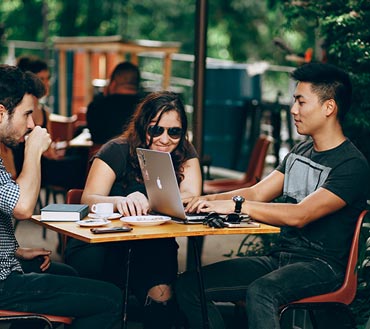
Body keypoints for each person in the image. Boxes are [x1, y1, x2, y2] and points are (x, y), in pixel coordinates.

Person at [176, 62, 370, 329]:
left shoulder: (351, 164)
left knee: (261, 292)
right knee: (189, 285)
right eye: (294, 101)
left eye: (301, 102)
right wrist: (204, 202)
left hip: (323, 266)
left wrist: (236, 206)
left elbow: (301, 215)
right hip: (280, 258)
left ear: (329, 107)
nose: (293, 110)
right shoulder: (300, 152)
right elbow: (257, 192)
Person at [64, 91, 202, 329]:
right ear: (142, 127)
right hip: (102, 243)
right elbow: (87, 199)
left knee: (163, 298)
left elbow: (191, 196)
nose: (165, 139)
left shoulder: (184, 153)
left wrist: (155, 199)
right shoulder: (116, 150)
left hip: (151, 243)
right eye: (155, 130)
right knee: (105, 297)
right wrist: (119, 201)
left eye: (174, 131)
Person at [0, 64, 123, 329]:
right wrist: (34, 150)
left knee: (67, 272)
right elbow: (21, 208)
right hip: (3, 283)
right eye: (27, 114)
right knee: (111, 298)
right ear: (1, 112)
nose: (32, 124)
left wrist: (15, 251)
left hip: (6, 269)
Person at [14, 55, 87, 194]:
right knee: (80, 165)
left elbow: (50, 147)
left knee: (82, 158)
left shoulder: (45, 112)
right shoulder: (16, 111)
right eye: (41, 79)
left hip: (45, 162)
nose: (46, 84)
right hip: (26, 165)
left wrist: (55, 150)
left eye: (48, 79)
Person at [86, 61, 142, 144]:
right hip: (136, 156)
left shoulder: (96, 106)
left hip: (102, 155)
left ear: (113, 83)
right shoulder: (146, 107)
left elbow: (95, 138)